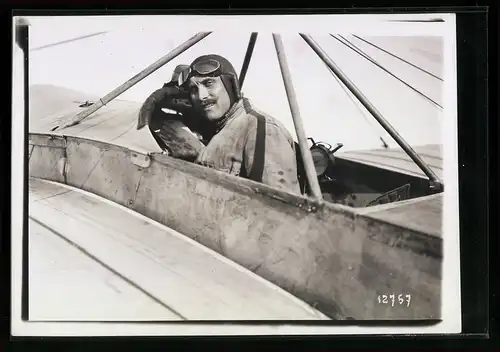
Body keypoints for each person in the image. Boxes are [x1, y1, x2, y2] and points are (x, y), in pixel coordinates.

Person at [178, 54, 301, 194]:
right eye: (194, 89)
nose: (201, 96)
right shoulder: (218, 128)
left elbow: (279, 207)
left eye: (209, 83)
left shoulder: (262, 129)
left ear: (231, 85)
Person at [136, 64, 207, 161]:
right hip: (166, 125)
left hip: (186, 127)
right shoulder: (168, 91)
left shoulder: (193, 94)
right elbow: (150, 102)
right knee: (196, 152)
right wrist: (144, 124)